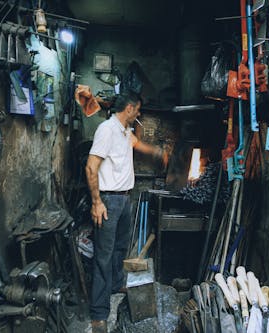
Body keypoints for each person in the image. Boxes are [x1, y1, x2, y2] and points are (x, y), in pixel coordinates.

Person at [85, 91, 167, 333]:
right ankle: (99, 313)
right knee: (103, 255)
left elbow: (138, 145)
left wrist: (159, 153)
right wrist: (96, 202)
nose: (139, 114)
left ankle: (116, 285)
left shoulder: (124, 131)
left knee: (119, 248)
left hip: (124, 200)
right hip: (108, 201)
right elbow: (91, 166)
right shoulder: (107, 130)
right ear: (129, 108)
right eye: (138, 110)